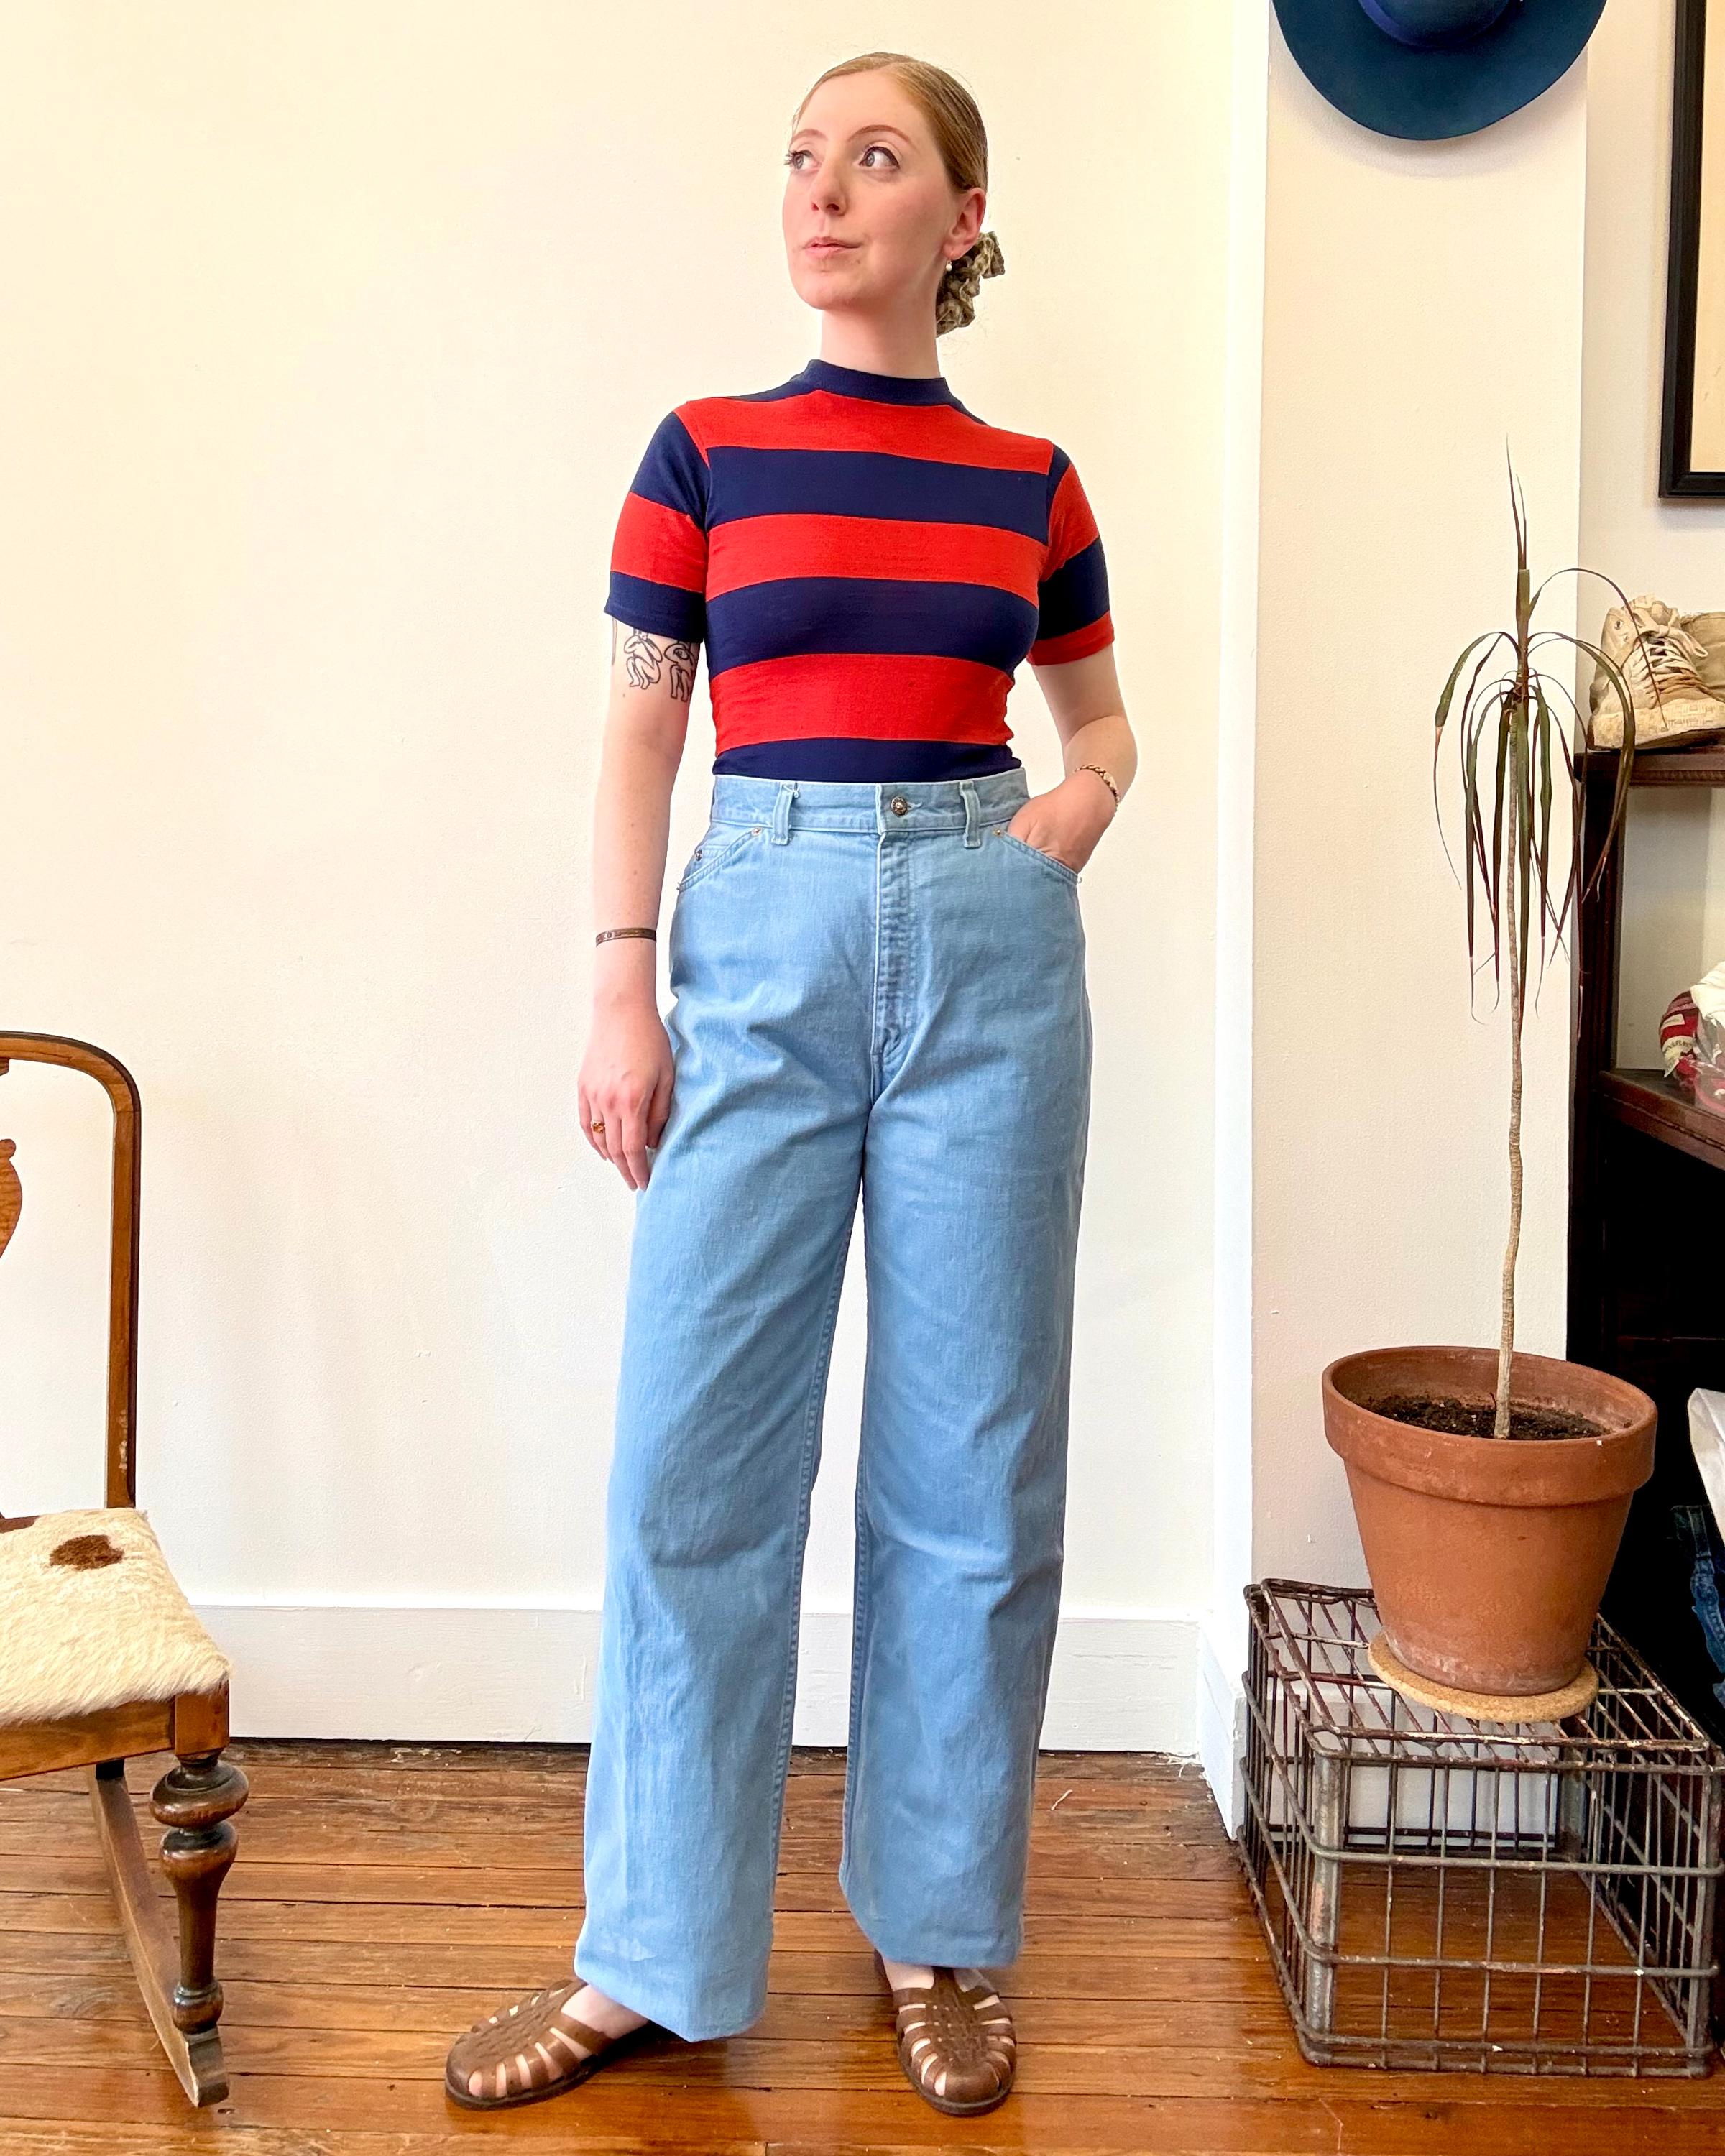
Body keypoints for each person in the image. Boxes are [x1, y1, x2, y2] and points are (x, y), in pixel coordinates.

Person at [446, 47, 1135, 2119]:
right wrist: (618, 988)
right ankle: (653, 1956)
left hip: (988, 948)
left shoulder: (1032, 482)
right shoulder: (705, 453)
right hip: (752, 935)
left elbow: (1103, 726)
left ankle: (939, 1932)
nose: (823, 191)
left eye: (878, 158)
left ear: (963, 218)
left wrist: (1057, 832)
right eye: (804, 158)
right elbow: (642, 734)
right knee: (695, 1465)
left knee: (975, 1469)